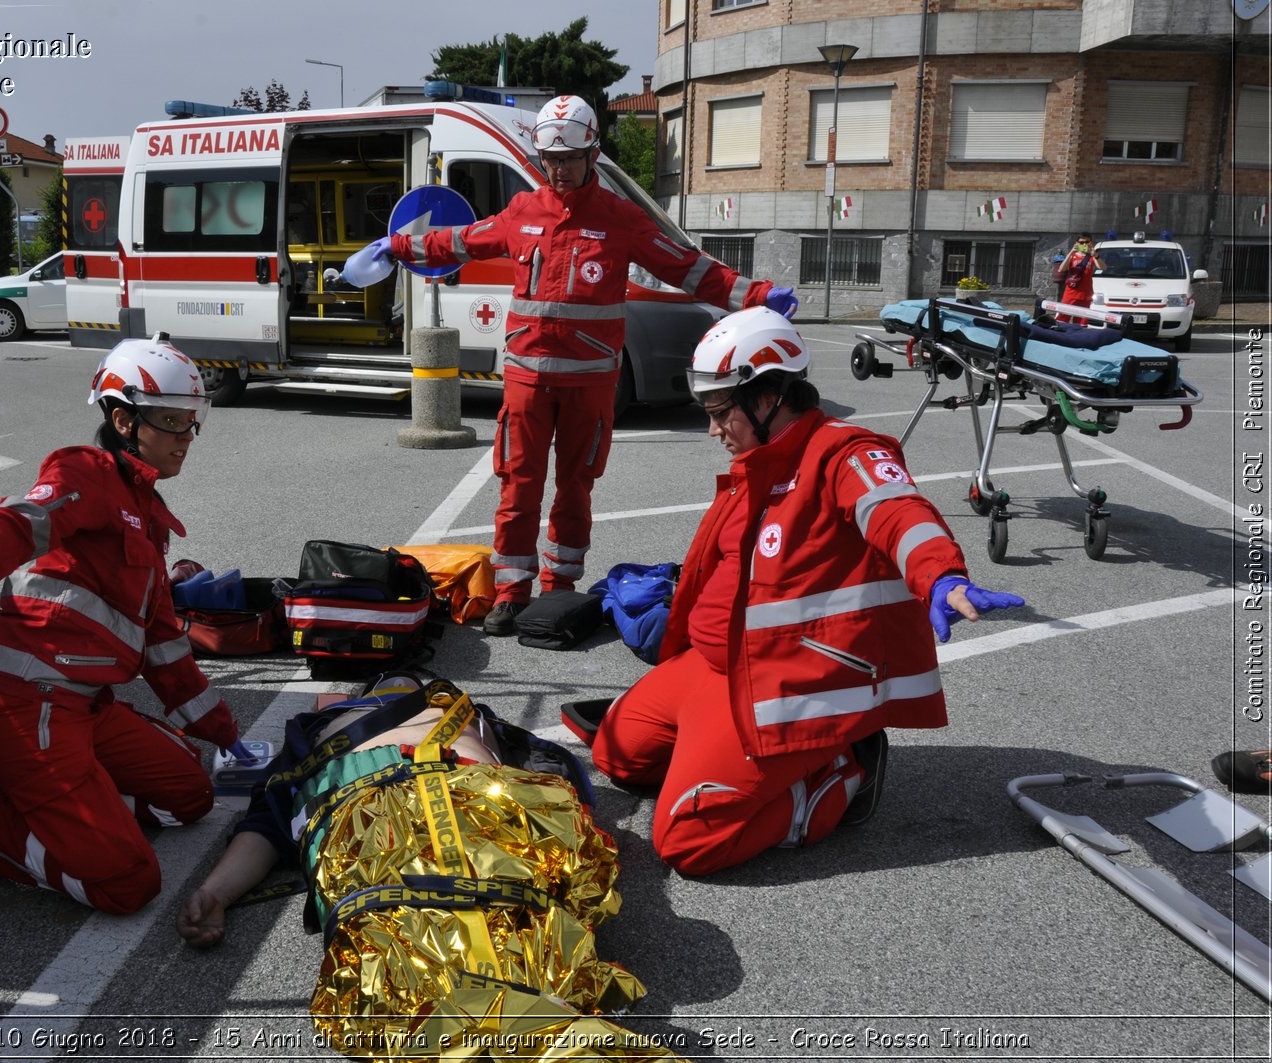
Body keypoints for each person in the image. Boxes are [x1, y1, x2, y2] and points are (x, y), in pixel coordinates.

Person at [580, 307, 1024, 878]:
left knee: (687, 842)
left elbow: (895, 511)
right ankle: (738, 763)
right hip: (715, 667)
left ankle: (841, 773)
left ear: (767, 398)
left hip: (782, 685)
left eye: (721, 414)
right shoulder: (760, 459)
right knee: (616, 753)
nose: (713, 430)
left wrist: (941, 575)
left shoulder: (846, 452)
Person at [353, 95, 799, 637]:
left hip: (590, 383)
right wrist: (395, 245)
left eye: (569, 159)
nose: (559, 170)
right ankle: (512, 592)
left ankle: (558, 592)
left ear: (593, 154)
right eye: (550, 160)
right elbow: (461, 240)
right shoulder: (523, 211)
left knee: (575, 486)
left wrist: (758, 294)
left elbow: (688, 268)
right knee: (517, 485)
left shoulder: (621, 220)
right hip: (525, 380)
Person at [0, 334, 240, 914]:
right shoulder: (84, 472)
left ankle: (43, 792)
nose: (187, 438)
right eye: (172, 421)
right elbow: (23, 520)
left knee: (192, 795)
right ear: (123, 419)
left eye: (194, 421)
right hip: (23, 705)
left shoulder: (148, 518)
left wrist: (224, 732)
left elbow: (163, 644)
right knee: (128, 883)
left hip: (86, 708)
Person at [176, 674, 689, 1061]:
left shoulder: (456, 714)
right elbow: (267, 823)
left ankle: (524, 1023)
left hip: (433, 808)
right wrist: (217, 893)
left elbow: (270, 824)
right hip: (395, 811)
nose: (399, 683)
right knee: (488, 933)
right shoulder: (334, 726)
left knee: (443, 944)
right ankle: (539, 1024)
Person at [1054, 233, 1105, 319]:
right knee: (1062, 320)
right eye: (1081, 242)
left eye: (1087, 242)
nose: (1084, 244)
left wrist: (1096, 255)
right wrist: (1071, 252)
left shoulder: (1092, 257)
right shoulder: (1072, 255)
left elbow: (1103, 267)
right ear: (1076, 243)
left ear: (1091, 243)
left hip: (1086, 295)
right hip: (1070, 294)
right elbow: (1061, 269)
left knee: (1081, 324)